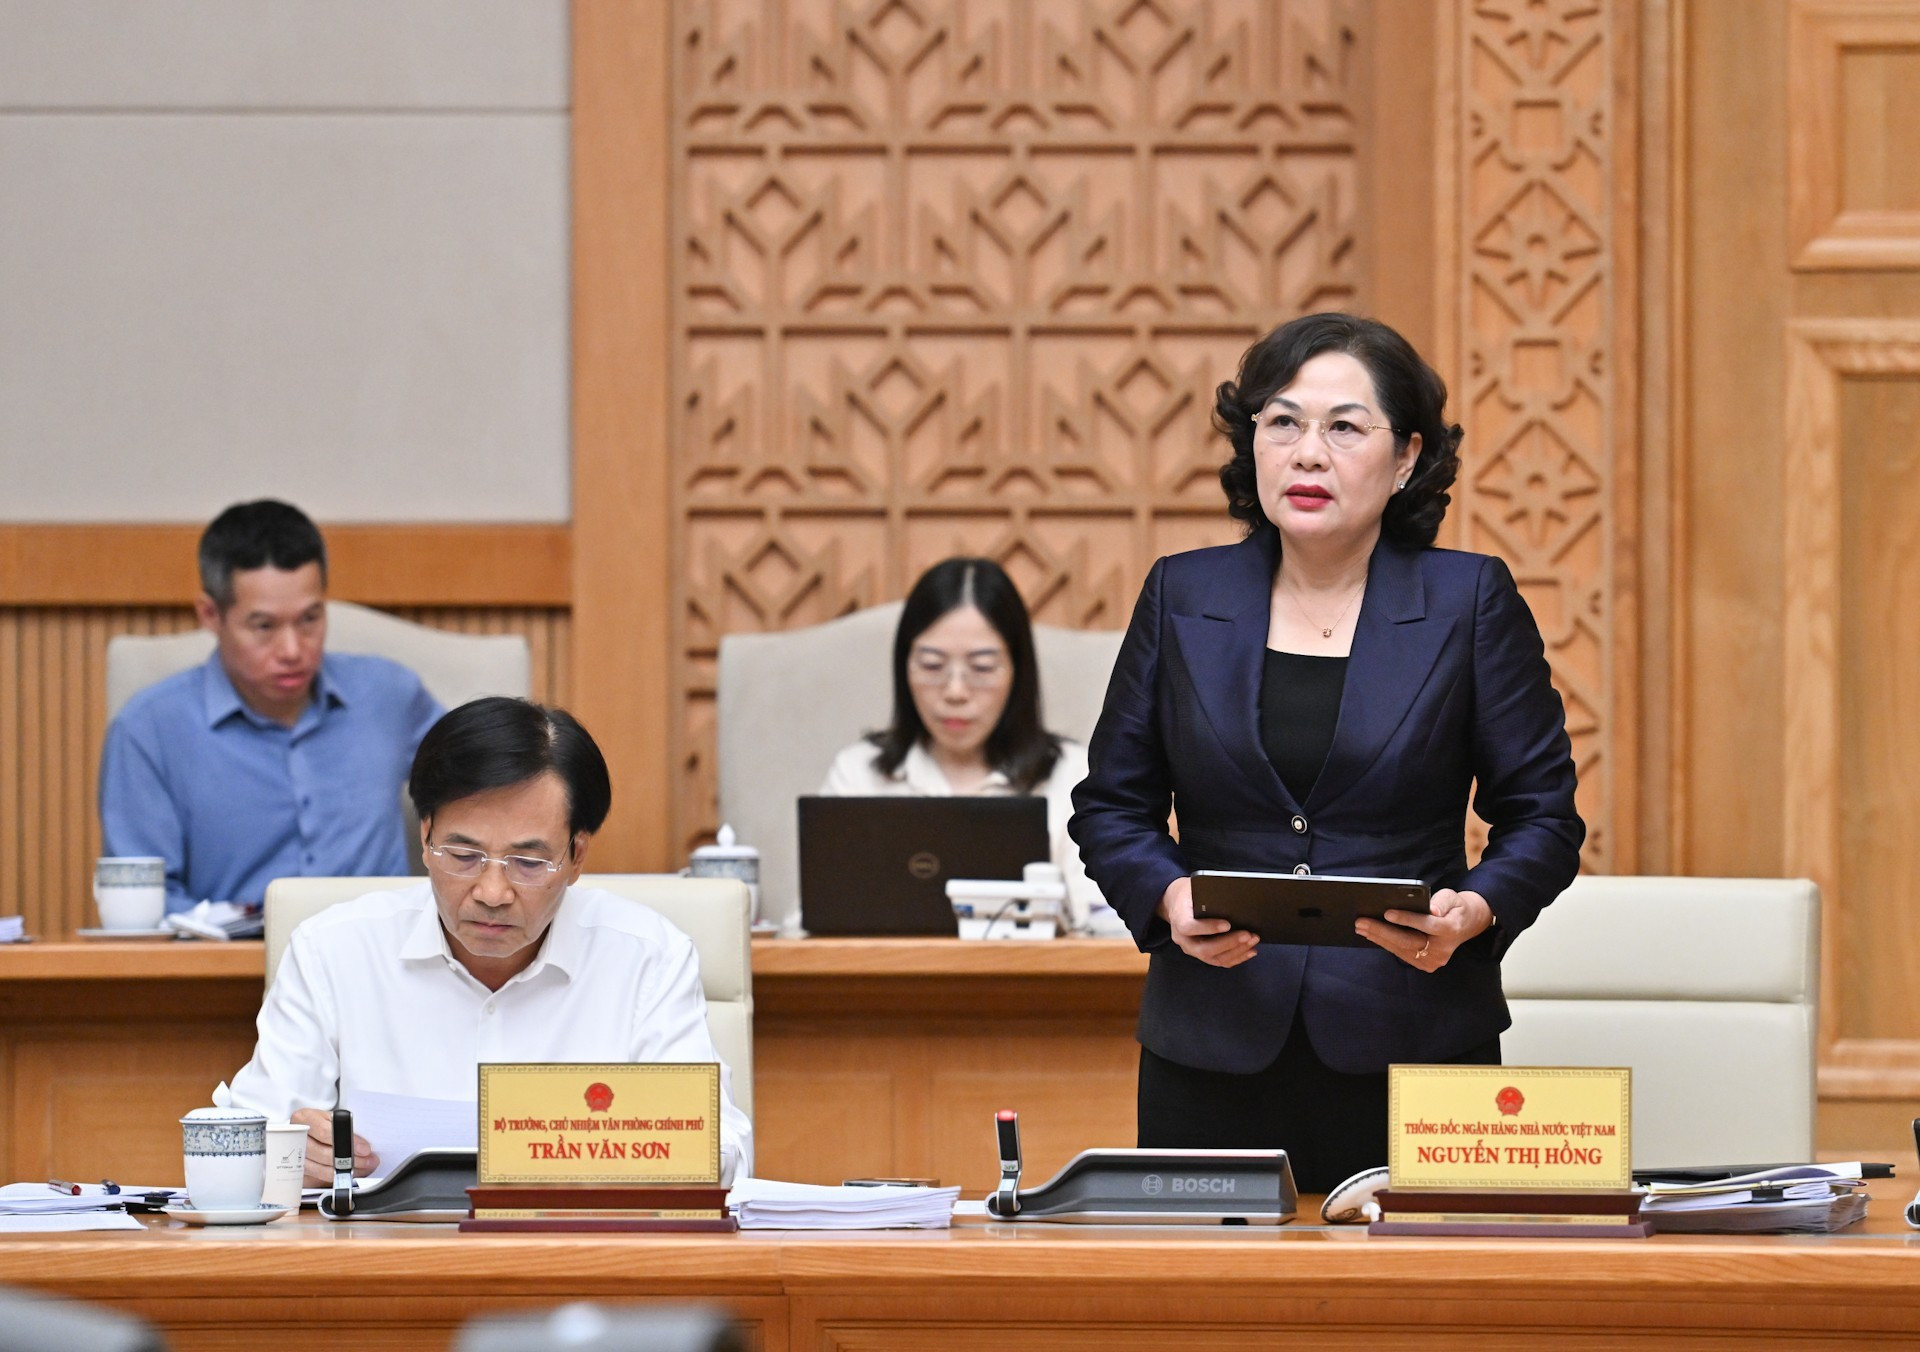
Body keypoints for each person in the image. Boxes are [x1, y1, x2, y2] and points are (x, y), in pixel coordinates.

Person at [1069, 313, 1583, 1191]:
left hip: (1415, 1035)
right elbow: (1112, 806)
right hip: (1212, 1044)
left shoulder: (1468, 601)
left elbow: (1543, 818)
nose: (1308, 454)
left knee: (1420, 1283)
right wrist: (1169, 895)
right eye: (1283, 422)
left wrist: (1475, 911)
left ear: (1407, 457)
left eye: (1345, 427)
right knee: (1214, 1282)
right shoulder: (1182, 595)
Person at [229, 697, 753, 1185]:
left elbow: (724, 1152)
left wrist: (615, 1147)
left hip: (576, 1248)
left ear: (577, 856)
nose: (492, 892)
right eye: (463, 856)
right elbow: (243, 1145)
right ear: (426, 837)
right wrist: (294, 1155)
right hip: (385, 1248)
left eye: (528, 863)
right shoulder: (333, 951)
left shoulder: (648, 958)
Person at [99, 500, 442, 913]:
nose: (293, 650)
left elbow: (487, 783)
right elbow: (145, 906)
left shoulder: (390, 696)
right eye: (264, 626)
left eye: (309, 619)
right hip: (231, 951)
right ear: (211, 615)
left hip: (379, 947)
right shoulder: (149, 730)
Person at [819, 557, 1109, 928]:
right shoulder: (859, 775)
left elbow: (1106, 925)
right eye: (932, 665)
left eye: (982, 667)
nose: (955, 691)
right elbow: (811, 922)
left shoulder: (1073, 775)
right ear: (904, 666)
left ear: (1018, 670)